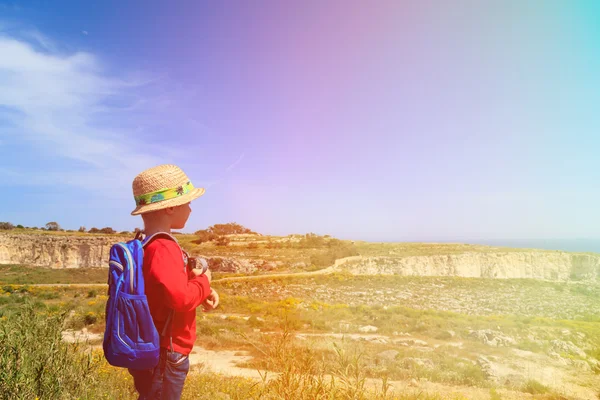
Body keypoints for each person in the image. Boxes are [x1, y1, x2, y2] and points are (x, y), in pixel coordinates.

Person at [128, 164, 219, 400]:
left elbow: (165, 290)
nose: (190, 209)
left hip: (153, 347)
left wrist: (200, 289)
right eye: (187, 203)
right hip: (166, 352)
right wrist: (205, 282)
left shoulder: (146, 243)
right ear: (169, 208)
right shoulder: (164, 247)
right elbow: (180, 299)